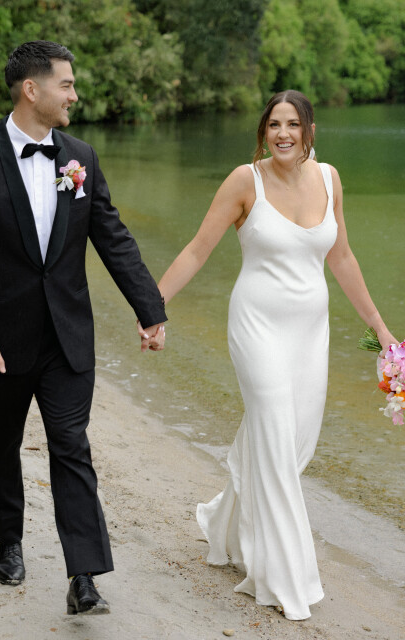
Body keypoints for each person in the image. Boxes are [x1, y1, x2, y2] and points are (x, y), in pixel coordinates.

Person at [0, 40, 166, 616]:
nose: (74, 95)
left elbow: (112, 236)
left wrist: (150, 309)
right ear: (31, 89)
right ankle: (8, 539)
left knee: (71, 445)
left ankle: (84, 576)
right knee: (0, 442)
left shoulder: (80, 157)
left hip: (68, 337)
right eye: (66, 84)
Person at [156, 90, 397, 620]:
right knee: (272, 430)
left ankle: (223, 523)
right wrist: (153, 307)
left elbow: (342, 256)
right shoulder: (246, 181)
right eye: (273, 125)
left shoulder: (330, 178)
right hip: (257, 325)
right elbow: (198, 248)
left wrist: (381, 329)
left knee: (291, 444)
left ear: (310, 130)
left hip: (311, 332)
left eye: (293, 124)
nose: (283, 134)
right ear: (263, 132)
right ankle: (286, 576)